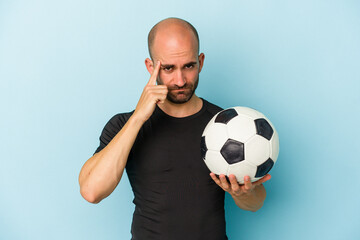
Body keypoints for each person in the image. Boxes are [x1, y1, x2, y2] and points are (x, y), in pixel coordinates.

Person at [78, 17, 271, 240]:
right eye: (168, 68)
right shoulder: (124, 124)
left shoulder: (227, 125)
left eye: (188, 66)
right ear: (151, 67)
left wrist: (243, 193)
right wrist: (139, 117)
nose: (180, 80)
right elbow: (91, 191)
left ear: (201, 62)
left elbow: (255, 204)